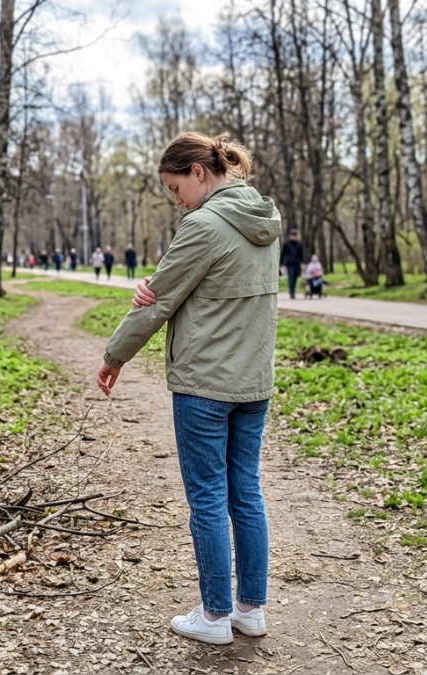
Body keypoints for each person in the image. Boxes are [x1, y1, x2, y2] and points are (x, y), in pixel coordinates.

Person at [96, 132, 279, 646]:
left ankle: (215, 616)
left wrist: (114, 356)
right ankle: (250, 609)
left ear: (199, 173)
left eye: (176, 187)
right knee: (245, 491)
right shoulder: (265, 218)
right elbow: (207, 294)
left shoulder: (203, 225)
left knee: (207, 498)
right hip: (253, 382)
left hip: (205, 385)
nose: (176, 200)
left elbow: (158, 302)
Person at [279, 230, 304, 299]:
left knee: (295, 277)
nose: (294, 237)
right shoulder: (287, 244)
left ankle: (293, 291)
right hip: (289, 263)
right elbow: (283, 253)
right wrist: (281, 263)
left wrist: (302, 263)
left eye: (295, 235)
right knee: (291, 277)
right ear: (291, 236)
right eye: (293, 235)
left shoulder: (299, 244)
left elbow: (301, 254)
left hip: (297, 263)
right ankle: (292, 292)